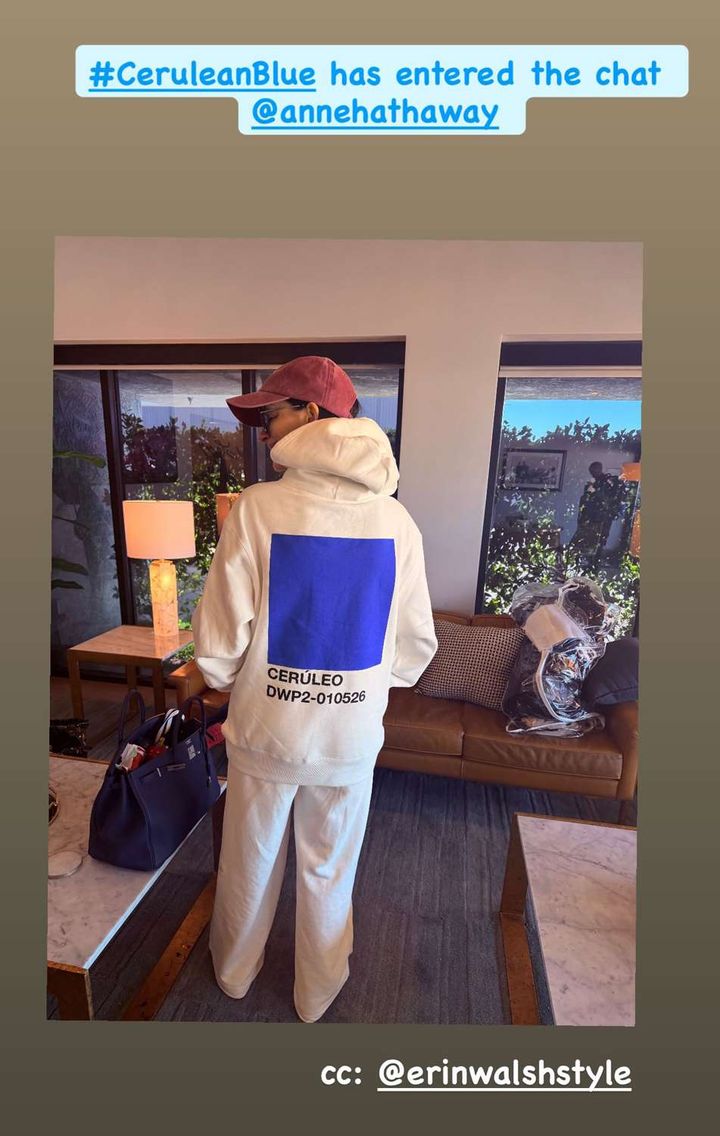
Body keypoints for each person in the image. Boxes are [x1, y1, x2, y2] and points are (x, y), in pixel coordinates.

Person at [191, 356, 437, 1022]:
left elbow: (220, 642)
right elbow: (414, 648)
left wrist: (233, 679)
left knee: (250, 860)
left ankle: (234, 973)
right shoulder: (397, 523)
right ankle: (316, 993)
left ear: (311, 413)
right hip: (349, 736)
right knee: (330, 868)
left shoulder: (257, 510)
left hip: (267, 730)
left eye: (271, 415)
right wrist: (359, 686)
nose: (264, 430)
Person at [567, 461, 625, 571]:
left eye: (594, 471)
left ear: (599, 469)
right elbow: (586, 500)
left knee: (599, 542)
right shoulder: (593, 482)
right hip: (590, 517)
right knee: (585, 540)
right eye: (591, 471)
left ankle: (594, 566)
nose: (592, 473)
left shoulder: (609, 483)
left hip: (603, 518)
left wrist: (596, 491)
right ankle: (582, 564)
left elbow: (608, 501)